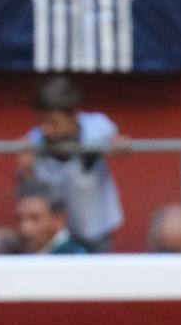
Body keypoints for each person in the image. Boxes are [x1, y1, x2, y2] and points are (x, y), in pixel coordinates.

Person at [18, 76, 125, 252]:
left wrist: (117, 146)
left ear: (74, 115)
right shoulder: (34, 141)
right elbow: (30, 191)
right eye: (41, 121)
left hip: (96, 228)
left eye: (53, 122)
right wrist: (26, 168)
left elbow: (114, 143)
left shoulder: (97, 127)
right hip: (58, 235)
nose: (46, 129)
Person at [15, 185, 90, 255]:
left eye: (35, 218)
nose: (25, 229)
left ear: (60, 219)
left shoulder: (75, 259)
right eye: (19, 219)